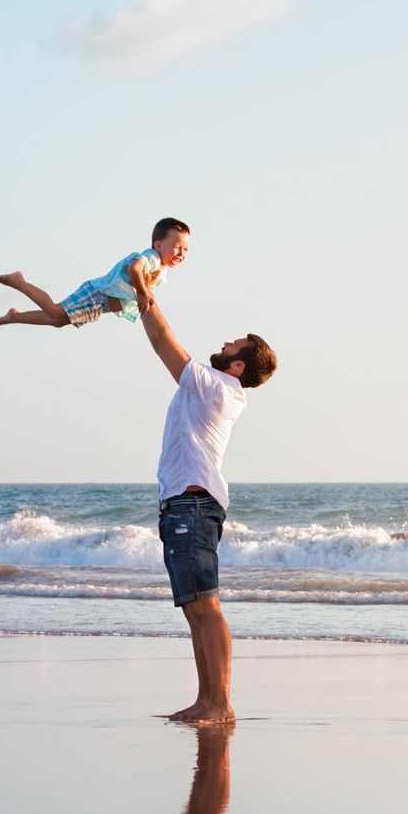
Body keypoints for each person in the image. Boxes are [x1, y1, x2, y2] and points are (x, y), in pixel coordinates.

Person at [140, 299, 276, 725]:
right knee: (194, 608)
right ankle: (206, 700)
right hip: (183, 503)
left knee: (206, 607)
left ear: (237, 366)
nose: (224, 344)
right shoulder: (213, 387)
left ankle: (220, 704)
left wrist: (144, 290)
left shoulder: (216, 387)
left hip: (193, 505)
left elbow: (163, 341)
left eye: (233, 345)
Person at [0, 217, 190, 329]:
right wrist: (145, 293)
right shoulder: (152, 257)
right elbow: (134, 268)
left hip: (100, 304)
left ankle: (13, 317)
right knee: (56, 312)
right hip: (97, 294)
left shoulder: (161, 269)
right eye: (177, 247)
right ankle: (19, 281)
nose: (181, 253)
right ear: (158, 245)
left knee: (57, 321)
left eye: (186, 250)